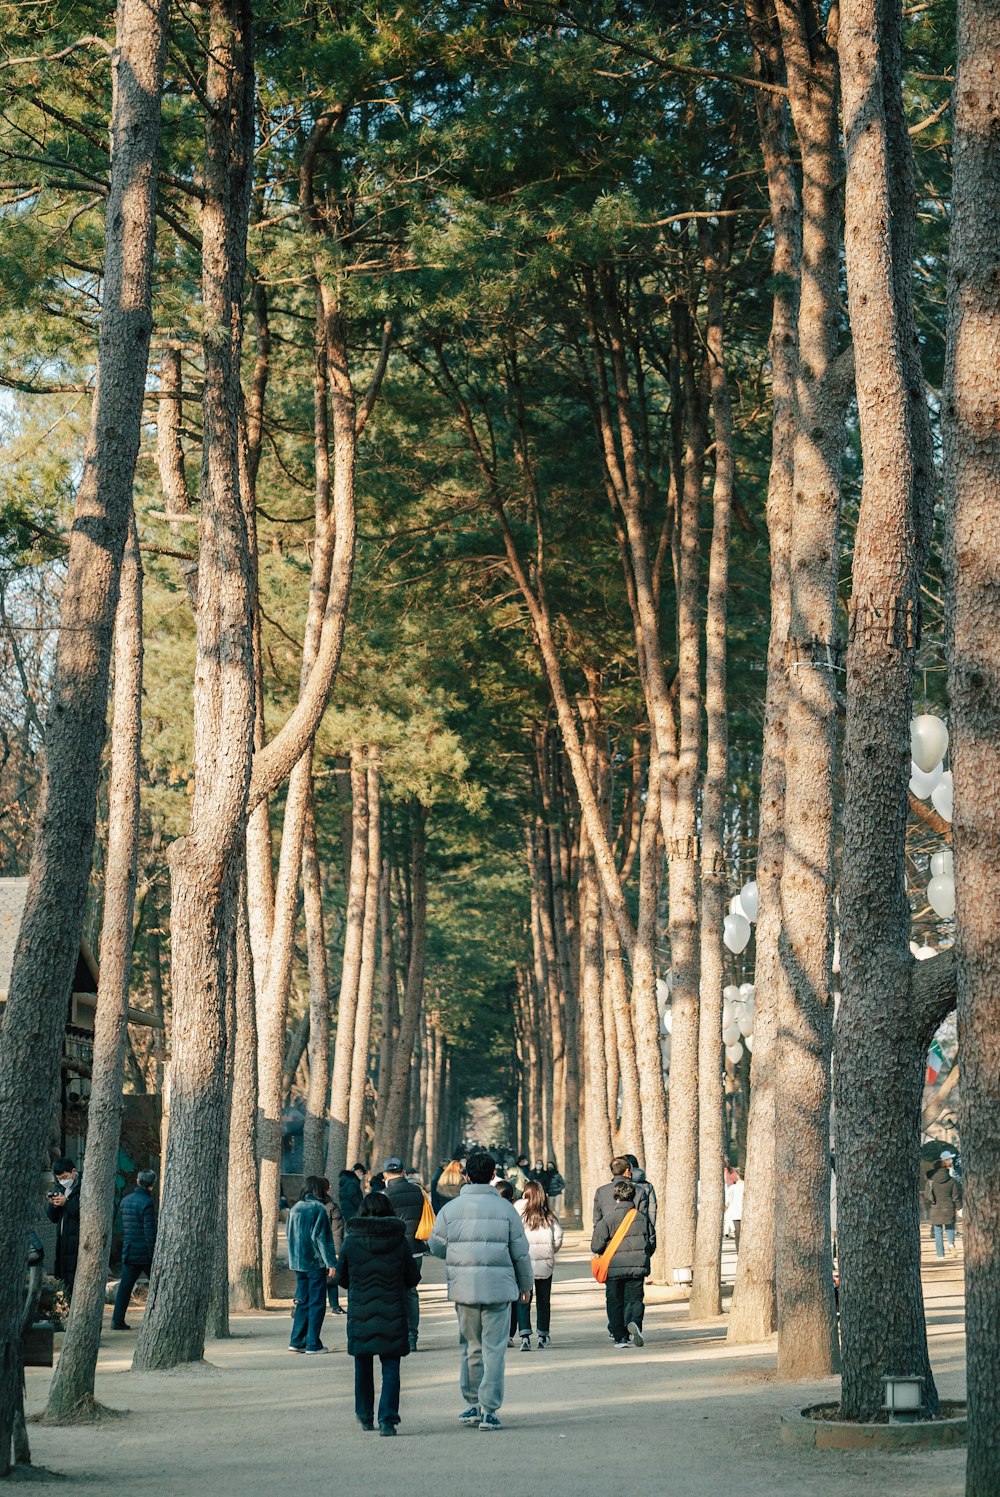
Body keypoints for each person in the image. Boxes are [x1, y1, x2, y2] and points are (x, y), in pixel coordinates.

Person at [428, 1149, 533, 1432]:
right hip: (499, 1289)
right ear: (491, 1176)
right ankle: (490, 1410)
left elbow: (435, 1246)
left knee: (471, 1347)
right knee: (494, 1350)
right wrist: (526, 1285)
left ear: (467, 1175)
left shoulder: (450, 1209)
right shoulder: (506, 1209)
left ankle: (472, 1404)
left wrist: (457, 1254)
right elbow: (520, 1252)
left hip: (464, 1289)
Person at [336, 1190, 421, 1436]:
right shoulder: (399, 1240)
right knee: (391, 1366)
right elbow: (412, 1277)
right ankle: (388, 1420)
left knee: (362, 1365)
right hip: (393, 1310)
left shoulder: (351, 1240)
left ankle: (364, 1415)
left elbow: (341, 1278)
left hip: (361, 1312)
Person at [591, 1180, 655, 1348]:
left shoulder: (608, 1218)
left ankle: (620, 1337)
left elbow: (596, 1245)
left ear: (616, 1197)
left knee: (615, 1300)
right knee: (634, 1299)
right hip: (637, 1266)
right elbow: (651, 1241)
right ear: (633, 1196)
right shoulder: (642, 1218)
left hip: (613, 1266)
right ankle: (634, 1323)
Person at [287, 1175, 338, 1353]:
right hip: (315, 1262)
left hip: (298, 1263)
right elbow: (323, 1239)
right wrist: (331, 1262)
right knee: (317, 1303)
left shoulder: (295, 1208)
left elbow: (289, 1235)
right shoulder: (318, 1209)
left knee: (302, 1301)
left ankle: (296, 1340)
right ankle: (312, 1343)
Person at [382, 1157, 428, 1351]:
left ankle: (395, 1334)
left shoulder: (384, 1195)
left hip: (392, 1251)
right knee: (411, 1293)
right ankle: (412, 1336)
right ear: (403, 1172)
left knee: (392, 1292)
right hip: (415, 1249)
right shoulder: (418, 1192)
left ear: (385, 1174)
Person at [514, 1180, 563, 1350]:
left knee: (523, 1299)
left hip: (523, 1263)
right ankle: (543, 1334)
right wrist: (550, 1251)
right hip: (544, 1264)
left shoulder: (518, 1214)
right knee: (544, 1300)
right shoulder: (548, 1217)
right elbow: (558, 1238)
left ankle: (525, 1336)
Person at [111, 1169, 158, 1329]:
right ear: (151, 1185)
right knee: (159, 1285)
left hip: (130, 1250)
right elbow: (149, 1232)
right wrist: (154, 1254)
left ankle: (117, 1321)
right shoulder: (147, 1203)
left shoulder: (125, 1200)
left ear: (138, 1181)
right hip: (145, 1253)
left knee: (125, 1287)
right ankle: (159, 1318)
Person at [45, 1157, 82, 1297]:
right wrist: (53, 1205)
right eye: (59, 1178)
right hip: (62, 1240)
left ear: (73, 1172)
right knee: (62, 1278)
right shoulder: (60, 1187)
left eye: (65, 1177)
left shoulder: (83, 1186)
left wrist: (67, 1203)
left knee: (74, 1279)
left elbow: (83, 1214)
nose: (62, 1181)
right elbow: (53, 1218)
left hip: (77, 1240)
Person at [592, 1156, 654, 1232]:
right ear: (627, 1171)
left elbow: (597, 1219)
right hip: (633, 1237)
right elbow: (643, 1219)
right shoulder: (639, 1191)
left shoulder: (601, 1191)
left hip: (609, 1239)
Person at [318, 1177, 346, 1314]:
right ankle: (334, 1306)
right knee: (331, 1277)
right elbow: (337, 1231)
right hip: (328, 1247)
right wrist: (336, 1251)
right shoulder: (331, 1207)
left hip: (313, 1249)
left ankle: (319, 1305)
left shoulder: (304, 1206)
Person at [927, 1151, 961, 1257]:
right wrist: (960, 1208)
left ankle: (940, 1255)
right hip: (949, 1207)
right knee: (950, 1227)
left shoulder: (931, 1181)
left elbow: (928, 1195)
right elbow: (956, 1195)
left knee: (938, 1231)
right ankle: (951, 1244)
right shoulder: (951, 1180)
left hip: (935, 1208)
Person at [622, 1153, 658, 1226]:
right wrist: (651, 1228)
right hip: (643, 1224)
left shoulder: (620, 1183)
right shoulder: (648, 1185)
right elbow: (652, 1209)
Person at [724, 1166, 744, 1252]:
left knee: (738, 1234)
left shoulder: (733, 1188)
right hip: (748, 1214)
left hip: (736, 1213)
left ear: (738, 1176)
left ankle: (739, 1252)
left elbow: (727, 1201)